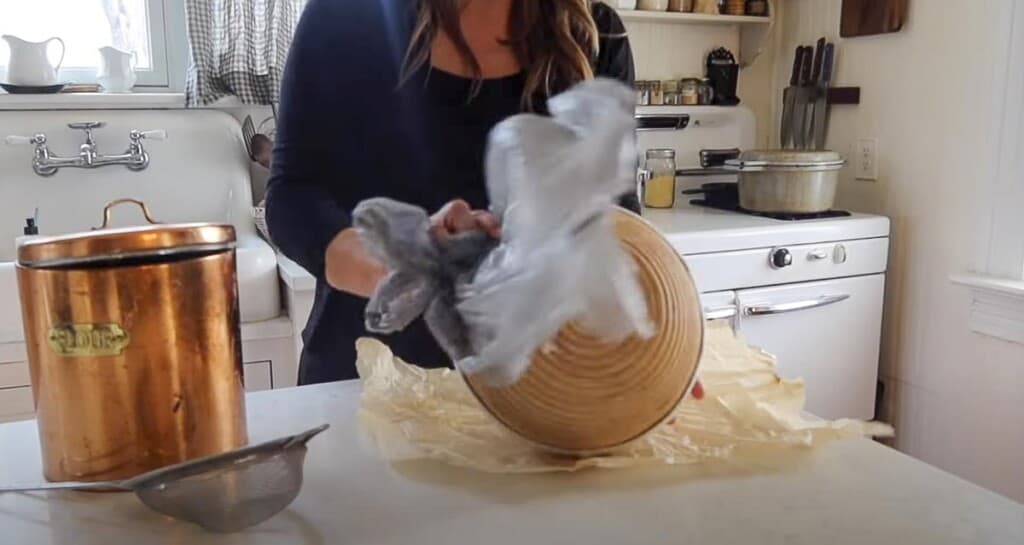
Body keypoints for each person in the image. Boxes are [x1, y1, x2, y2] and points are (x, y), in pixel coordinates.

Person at [267, 0, 704, 400]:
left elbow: (616, 220)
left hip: (537, 398)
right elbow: (293, 194)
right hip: (363, 385)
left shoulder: (596, 35)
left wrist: (658, 349)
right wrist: (395, 262)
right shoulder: (346, 15)